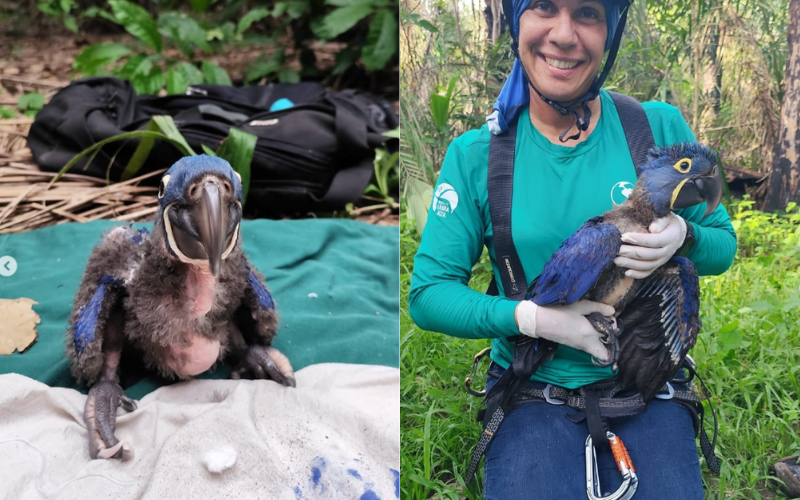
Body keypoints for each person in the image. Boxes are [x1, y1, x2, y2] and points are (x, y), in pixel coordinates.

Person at [408, 0, 737, 498]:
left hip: (644, 382)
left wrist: (685, 238)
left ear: (610, 31)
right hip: (534, 386)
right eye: (543, 7)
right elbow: (429, 295)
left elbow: (723, 247)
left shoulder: (656, 128)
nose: (564, 34)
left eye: (587, 12)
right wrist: (534, 320)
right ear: (516, 21)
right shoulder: (477, 156)